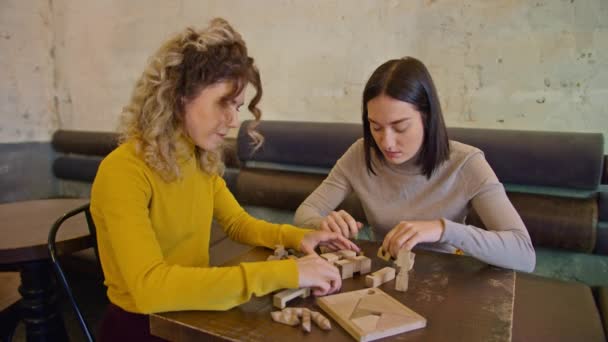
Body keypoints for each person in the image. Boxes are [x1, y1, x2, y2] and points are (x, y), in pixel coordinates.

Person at [90, 18, 357, 341]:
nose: (232, 122)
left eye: (238, 106)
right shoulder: (123, 171)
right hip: (140, 328)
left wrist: (299, 238)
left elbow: (238, 224)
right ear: (178, 95)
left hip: (194, 314)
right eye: (223, 103)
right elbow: (149, 289)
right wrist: (286, 272)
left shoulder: (197, 158)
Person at [294, 56, 535, 273]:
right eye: (375, 127)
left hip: (446, 280)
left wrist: (443, 229)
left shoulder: (467, 163)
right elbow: (304, 214)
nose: (386, 142)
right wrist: (324, 224)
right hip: (383, 273)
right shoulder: (360, 153)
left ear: (427, 117)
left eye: (400, 127)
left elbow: (524, 254)